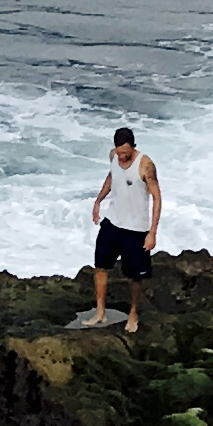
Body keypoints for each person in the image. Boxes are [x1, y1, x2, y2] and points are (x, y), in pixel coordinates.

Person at [79, 126, 162, 332]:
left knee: (134, 276)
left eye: (125, 153)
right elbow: (111, 177)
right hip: (113, 222)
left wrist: (152, 232)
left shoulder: (146, 165)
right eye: (119, 152)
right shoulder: (114, 157)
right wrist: (98, 201)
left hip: (136, 229)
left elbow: (157, 198)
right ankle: (100, 312)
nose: (122, 157)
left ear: (133, 148)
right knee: (100, 266)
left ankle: (133, 314)